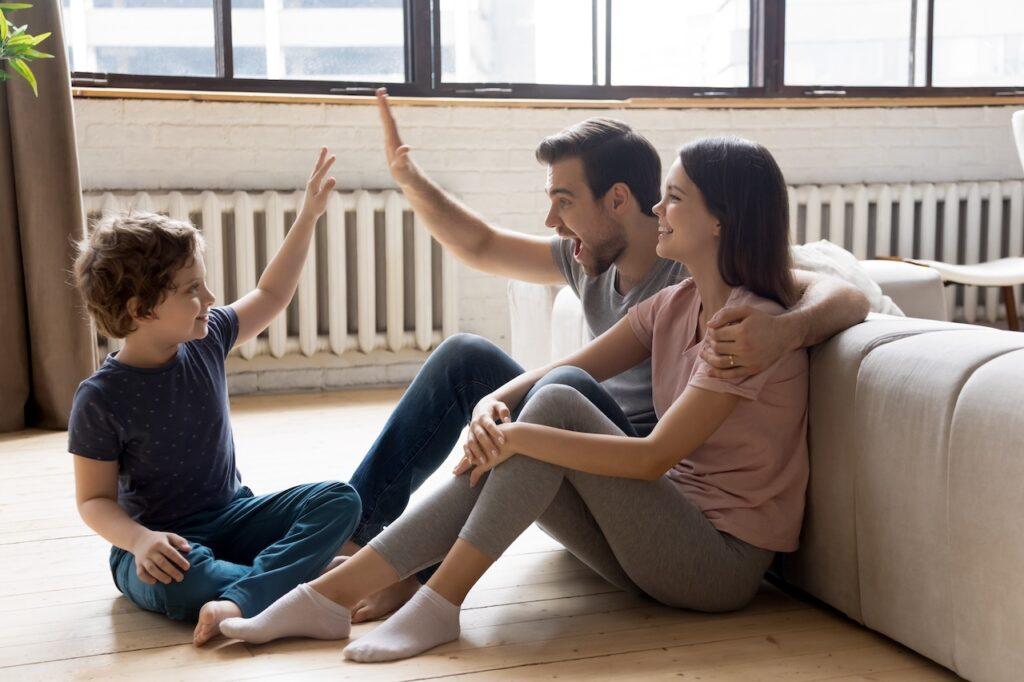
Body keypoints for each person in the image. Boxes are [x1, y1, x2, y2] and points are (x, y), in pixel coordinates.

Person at [219, 136, 811, 664]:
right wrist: (493, 405)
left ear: (720, 222)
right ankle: (329, 596)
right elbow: (569, 368)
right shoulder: (675, 304)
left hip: (715, 565)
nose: (658, 208)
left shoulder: (748, 329)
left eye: (675, 198)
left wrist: (518, 435)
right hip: (656, 538)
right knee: (545, 396)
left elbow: (653, 457)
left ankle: (431, 601)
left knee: (547, 409)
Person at [332, 89, 870, 622]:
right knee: (467, 357)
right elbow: (481, 246)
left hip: (652, 466)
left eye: (564, 201)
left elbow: (839, 290)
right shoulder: (588, 256)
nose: (552, 221)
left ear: (616, 200)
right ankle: (353, 538)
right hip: (615, 461)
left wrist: (786, 330)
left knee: (558, 392)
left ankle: (416, 579)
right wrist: (408, 179)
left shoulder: (696, 268)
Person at [68, 148, 361, 646]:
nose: (209, 298)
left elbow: (271, 295)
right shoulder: (100, 398)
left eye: (203, 284)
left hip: (233, 515)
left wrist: (307, 216)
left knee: (338, 499)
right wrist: (139, 541)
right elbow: (94, 501)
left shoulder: (207, 337)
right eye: (190, 290)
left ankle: (253, 595)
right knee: (188, 580)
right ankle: (303, 583)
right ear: (140, 310)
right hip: (161, 546)